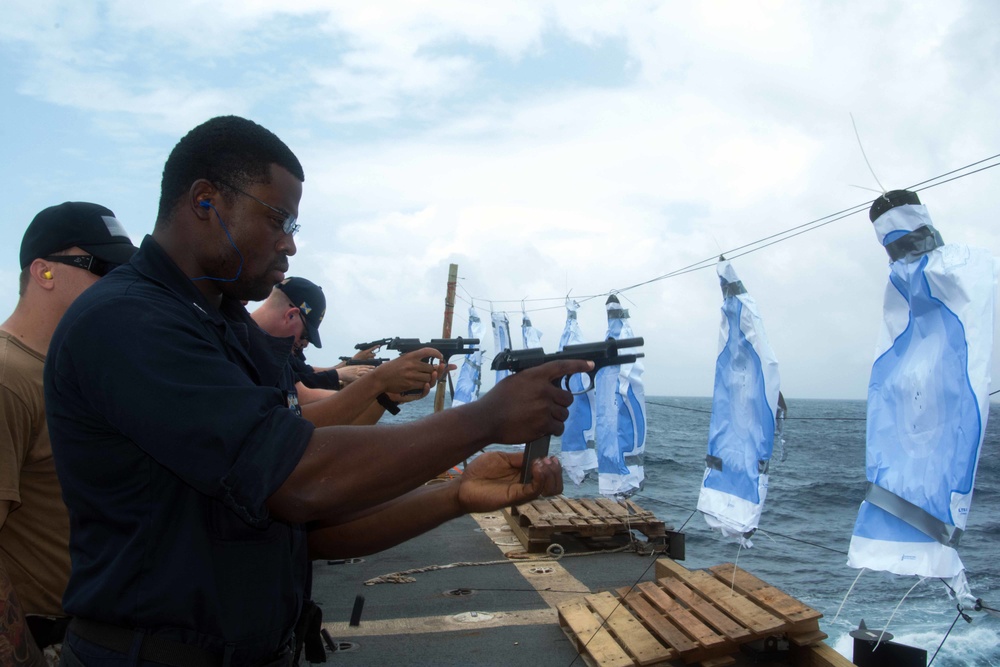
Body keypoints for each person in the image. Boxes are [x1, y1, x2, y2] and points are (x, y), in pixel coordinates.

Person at [44, 115, 588, 667]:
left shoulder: (228, 327)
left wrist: (455, 496)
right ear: (205, 200)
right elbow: (297, 480)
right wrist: (484, 419)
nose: (289, 245)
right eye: (278, 219)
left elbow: (310, 531)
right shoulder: (127, 321)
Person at [0, 202, 138, 667]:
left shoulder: (75, 370)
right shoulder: (6, 377)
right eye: (103, 268)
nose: (122, 284)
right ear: (43, 273)